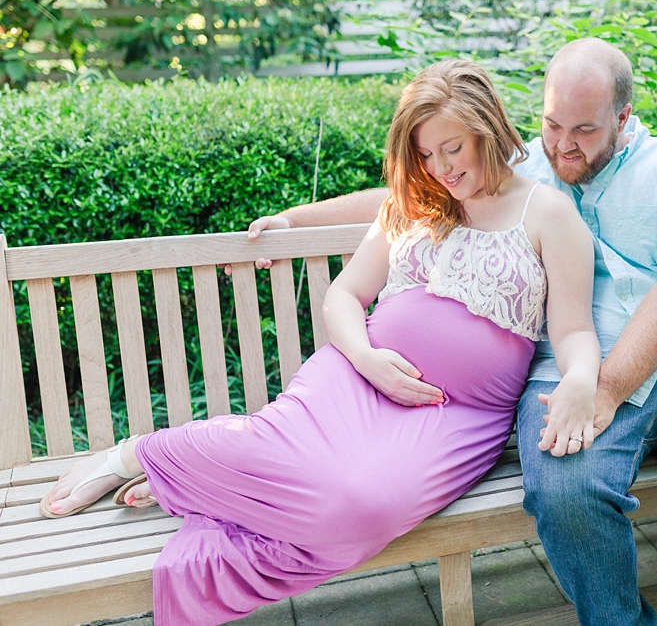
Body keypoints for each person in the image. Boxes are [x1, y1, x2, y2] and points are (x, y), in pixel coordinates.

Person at [244, 38, 657, 626]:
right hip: (564, 372)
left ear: (623, 117)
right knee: (566, 494)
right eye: (553, 124)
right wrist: (294, 219)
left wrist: (606, 389)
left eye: (583, 130)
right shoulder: (530, 162)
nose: (562, 144)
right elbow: (411, 192)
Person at [40, 59, 601, 626]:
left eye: (451, 148)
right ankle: (136, 455)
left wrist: (581, 378)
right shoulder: (417, 201)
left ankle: (207, 488)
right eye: (426, 154)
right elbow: (345, 294)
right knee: (272, 445)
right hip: (357, 377)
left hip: (457, 416)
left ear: (487, 127)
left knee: (362, 508)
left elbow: (575, 330)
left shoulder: (547, 213)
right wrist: (367, 359)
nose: (440, 168)